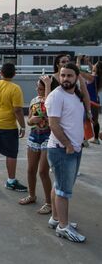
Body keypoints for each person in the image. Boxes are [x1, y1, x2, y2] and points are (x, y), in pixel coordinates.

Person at [45, 63, 86, 243]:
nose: (65, 79)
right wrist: (68, 144)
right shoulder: (56, 96)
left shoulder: (76, 94)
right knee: (63, 191)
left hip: (74, 149)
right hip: (62, 150)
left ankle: (55, 218)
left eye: (69, 75)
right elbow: (53, 124)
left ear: (76, 77)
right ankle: (63, 226)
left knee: (59, 185)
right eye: (62, 75)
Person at [0, 62, 27, 191]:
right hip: (8, 126)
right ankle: (11, 181)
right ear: (14, 74)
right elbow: (17, 110)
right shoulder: (15, 88)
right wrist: (23, 127)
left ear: (0, 73)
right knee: (11, 153)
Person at [18, 78, 57, 214]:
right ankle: (32, 195)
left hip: (48, 136)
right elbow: (29, 121)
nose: (38, 91)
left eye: (42, 88)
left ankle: (49, 202)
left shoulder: (53, 99)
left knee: (43, 171)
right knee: (30, 169)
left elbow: (49, 105)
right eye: (37, 88)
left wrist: (47, 85)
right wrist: (31, 120)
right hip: (35, 135)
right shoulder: (34, 100)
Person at [77, 57, 102, 144]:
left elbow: (78, 71)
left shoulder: (91, 77)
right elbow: (93, 69)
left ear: (97, 68)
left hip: (89, 102)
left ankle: (84, 140)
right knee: (95, 121)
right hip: (96, 102)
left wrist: (79, 60)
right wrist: (88, 62)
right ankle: (96, 139)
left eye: (94, 65)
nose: (93, 66)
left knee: (84, 120)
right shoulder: (99, 77)